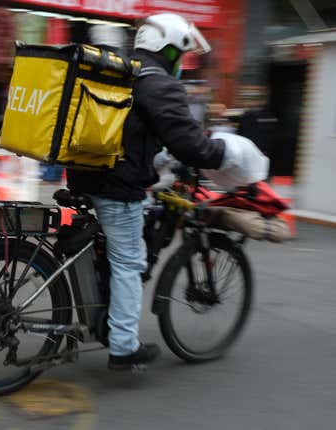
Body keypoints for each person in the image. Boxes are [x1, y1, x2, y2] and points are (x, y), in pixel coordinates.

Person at [67, 13, 266, 371]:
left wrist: (156, 158)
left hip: (85, 175)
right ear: (169, 50)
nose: (181, 64)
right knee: (130, 261)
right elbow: (192, 147)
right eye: (180, 55)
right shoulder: (159, 83)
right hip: (117, 184)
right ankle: (123, 347)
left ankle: (100, 313)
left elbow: (132, 129)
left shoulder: (125, 72)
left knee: (111, 251)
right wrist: (228, 153)